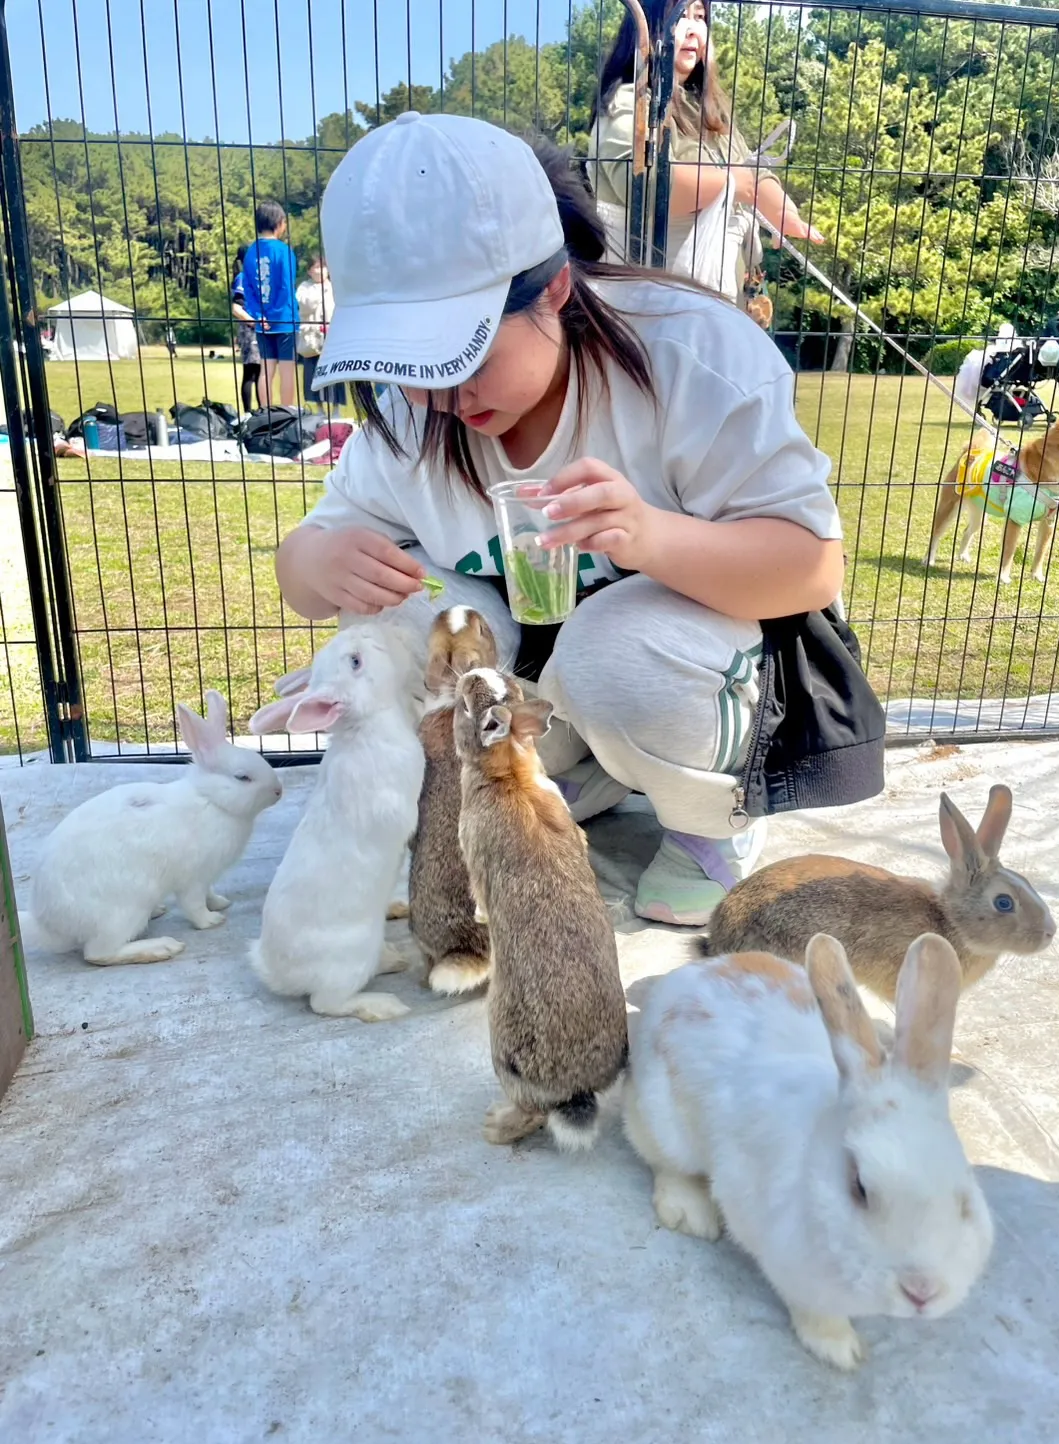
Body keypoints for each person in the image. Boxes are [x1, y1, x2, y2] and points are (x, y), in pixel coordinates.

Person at [275, 114, 881, 927]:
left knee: (612, 645)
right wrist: (320, 565)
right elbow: (303, 568)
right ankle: (549, 776)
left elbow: (811, 567)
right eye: (403, 364)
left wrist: (651, 536)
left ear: (554, 288)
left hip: (684, 665)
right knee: (398, 610)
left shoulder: (692, 355)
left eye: (462, 356)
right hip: (535, 687)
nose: (437, 398)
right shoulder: (410, 413)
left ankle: (705, 828)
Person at [588, 0, 822, 322]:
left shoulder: (712, 115)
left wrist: (784, 213)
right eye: (680, 17)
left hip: (718, 305)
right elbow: (643, 186)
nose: (693, 28)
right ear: (646, 28)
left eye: (700, 17)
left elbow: (754, 173)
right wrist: (734, 185)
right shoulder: (626, 102)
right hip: (649, 310)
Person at [242, 201, 299, 408]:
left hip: (261, 321)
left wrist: (259, 314)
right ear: (279, 223)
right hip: (284, 319)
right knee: (287, 371)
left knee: (266, 370)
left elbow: (248, 288)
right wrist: (274, 314)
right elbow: (286, 285)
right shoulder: (284, 251)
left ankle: (266, 414)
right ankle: (287, 413)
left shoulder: (250, 253)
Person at [295, 255, 347, 409]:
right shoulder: (305, 287)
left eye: (323, 267)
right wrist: (319, 293)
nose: (320, 271)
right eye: (316, 267)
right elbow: (304, 305)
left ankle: (336, 407)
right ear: (309, 271)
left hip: (331, 335)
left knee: (334, 371)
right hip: (311, 335)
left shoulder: (334, 286)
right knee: (313, 371)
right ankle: (318, 407)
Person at [231, 245, 263, 414]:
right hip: (250, 330)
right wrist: (254, 322)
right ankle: (249, 412)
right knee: (251, 372)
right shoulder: (243, 278)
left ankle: (262, 410)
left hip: (260, 327)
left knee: (261, 372)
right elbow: (236, 308)